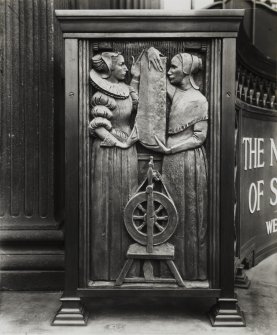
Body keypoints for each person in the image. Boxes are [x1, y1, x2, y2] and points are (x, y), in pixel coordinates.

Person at [155, 52, 208, 280]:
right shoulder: (177, 92)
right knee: (171, 211)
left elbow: (199, 137)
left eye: (173, 67)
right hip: (171, 160)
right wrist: (151, 61)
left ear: (186, 70)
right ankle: (167, 270)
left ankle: (190, 270)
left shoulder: (199, 100)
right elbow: (159, 81)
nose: (169, 71)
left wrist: (171, 150)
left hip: (187, 160)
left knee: (188, 213)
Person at [89, 52, 141, 281]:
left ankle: (130, 268)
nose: (126, 68)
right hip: (109, 153)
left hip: (127, 151)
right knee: (107, 203)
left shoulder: (127, 89)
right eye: (121, 65)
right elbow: (99, 126)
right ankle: (106, 269)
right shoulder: (102, 95)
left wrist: (138, 78)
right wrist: (121, 143)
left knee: (127, 202)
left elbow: (135, 100)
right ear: (109, 68)